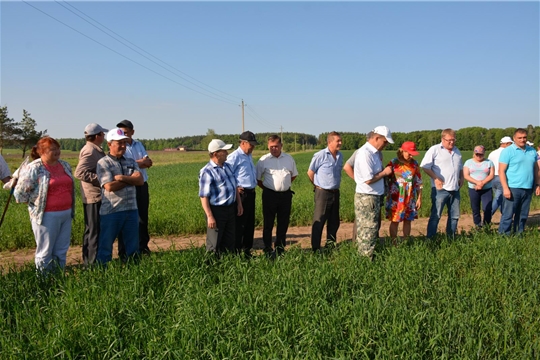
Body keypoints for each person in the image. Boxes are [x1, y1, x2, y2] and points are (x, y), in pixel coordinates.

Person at [14, 137, 75, 273]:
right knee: (45, 251)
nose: (57, 151)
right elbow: (20, 194)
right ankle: (44, 281)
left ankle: (58, 278)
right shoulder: (34, 168)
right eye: (52, 149)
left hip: (66, 213)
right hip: (46, 216)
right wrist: (35, 202)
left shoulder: (64, 165)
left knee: (61, 250)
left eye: (58, 148)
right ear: (41, 152)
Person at [96, 128, 144, 264]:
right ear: (110, 144)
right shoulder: (103, 163)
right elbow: (109, 187)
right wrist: (130, 180)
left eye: (124, 143)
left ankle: (132, 271)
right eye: (119, 143)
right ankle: (102, 273)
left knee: (132, 247)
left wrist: (122, 178)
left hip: (131, 209)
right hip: (112, 211)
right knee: (105, 246)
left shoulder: (131, 161)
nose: (123, 146)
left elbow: (140, 181)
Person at [354, 126, 393, 259]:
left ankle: (368, 255)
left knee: (371, 228)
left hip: (374, 196)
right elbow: (368, 179)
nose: (385, 145)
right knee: (368, 229)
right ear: (376, 138)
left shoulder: (374, 153)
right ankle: (365, 259)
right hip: (367, 197)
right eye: (385, 142)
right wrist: (385, 173)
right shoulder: (365, 153)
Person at [257, 135, 298, 257]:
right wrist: (269, 188)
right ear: (268, 146)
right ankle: (267, 248)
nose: (274, 149)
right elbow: (258, 179)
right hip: (269, 195)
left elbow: (293, 175)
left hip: (285, 196)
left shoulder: (289, 159)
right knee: (268, 222)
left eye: (276, 146)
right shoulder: (263, 160)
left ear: (281, 146)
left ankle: (280, 247)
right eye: (271, 146)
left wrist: (284, 185)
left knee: (283, 222)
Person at [199, 139, 242, 255]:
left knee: (229, 240)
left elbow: (234, 186)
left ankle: (228, 265)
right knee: (214, 242)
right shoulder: (207, 171)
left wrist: (239, 203)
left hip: (230, 209)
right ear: (215, 154)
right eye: (224, 151)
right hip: (217, 211)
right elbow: (203, 196)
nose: (227, 153)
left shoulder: (227, 167)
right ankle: (212, 266)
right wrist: (210, 216)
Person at [116, 119, 153, 255]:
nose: (123, 134)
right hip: (127, 185)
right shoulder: (120, 146)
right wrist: (139, 163)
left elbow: (148, 162)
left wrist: (135, 163)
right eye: (121, 132)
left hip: (142, 184)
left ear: (132, 132)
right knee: (128, 218)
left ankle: (143, 247)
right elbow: (123, 164)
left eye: (125, 132)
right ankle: (126, 250)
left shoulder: (138, 144)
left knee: (143, 218)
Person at [420, 128, 464, 238]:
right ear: (442, 139)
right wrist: (435, 178)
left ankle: (451, 237)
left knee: (454, 216)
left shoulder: (457, 151)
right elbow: (425, 166)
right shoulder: (434, 150)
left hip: (455, 189)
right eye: (449, 140)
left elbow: (460, 167)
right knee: (436, 215)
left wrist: (461, 177)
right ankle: (431, 238)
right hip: (440, 189)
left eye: (453, 140)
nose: (452, 142)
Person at [74, 123, 107, 266]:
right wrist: (102, 180)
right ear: (97, 136)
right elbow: (80, 172)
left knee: (91, 230)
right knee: (94, 230)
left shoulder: (94, 149)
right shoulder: (90, 150)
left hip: (92, 196)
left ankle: (88, 261)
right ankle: (93, 264)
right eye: (102, 134)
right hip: (93, 196)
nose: (104, 136)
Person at [498, 128, 540, 235]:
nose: (522, 140)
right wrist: (505, 188)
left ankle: (518, 234)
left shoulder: (532, 151)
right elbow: (501, 171)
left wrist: (537, 184)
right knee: (508, 214)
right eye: (519, 138)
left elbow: (536, 169)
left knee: (523, 214)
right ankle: (503, 236)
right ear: (514, 139)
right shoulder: (508, 151)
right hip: (513, 187)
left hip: (528, 188)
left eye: (524, 137)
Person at [307, 131, 343, 251]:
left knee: (334, 221)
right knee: (319, 220)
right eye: (338, 141)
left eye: (340, 140)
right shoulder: (320, 155)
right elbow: (310, 172)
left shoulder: (340, 156)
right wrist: (317, 186)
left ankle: (330, 246)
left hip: (335, 192)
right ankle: (316, 248)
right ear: (329, 142)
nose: (340, 143)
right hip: (322, 193)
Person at [225, 131, 258, 257]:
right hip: (241, 195)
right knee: (240, 224)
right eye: (251, 144)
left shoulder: (248, 155)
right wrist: (235, 187)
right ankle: (237, 252)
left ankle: (247, 251)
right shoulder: (234, 157)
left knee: (250, 223)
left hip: (251, 193)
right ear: (243, 143)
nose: (253, 147)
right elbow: (227, 175)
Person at [385, 141, 423, 241]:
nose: (411, 156)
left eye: (412, 154)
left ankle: (406, 241)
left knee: (408, 220)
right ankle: (393, 242)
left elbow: (418, 182)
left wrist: (419, 198)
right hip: (396, 199)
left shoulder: (415, 164)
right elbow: (385, 178)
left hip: (410, 198)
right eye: (409, 153)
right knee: (395, 220)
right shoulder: (393, 163)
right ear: (402, 151)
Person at [463, 145, 495, 228]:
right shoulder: (468, 162)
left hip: (487, 188)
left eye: (481, 154)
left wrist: (482, 183)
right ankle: (477, 225)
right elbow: (466, 175)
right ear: (474, 153)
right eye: (477, 154)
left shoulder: (489, 162)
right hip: (473, 188)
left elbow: (491, 175)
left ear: (484, 153)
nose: (479, 156)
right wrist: (477, 183)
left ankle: (486, 225)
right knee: (475, 208)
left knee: (487, 208)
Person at [487, 136, 513, 216]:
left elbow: (488, 165)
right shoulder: (507, 152)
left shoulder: (492, 153)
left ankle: (504, 215)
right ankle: (487, 217)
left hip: (492, 178)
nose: (512, 145)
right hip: (501, 177)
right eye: (510, 144)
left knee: (500, 198)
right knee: (498, 199)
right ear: (506, 144)